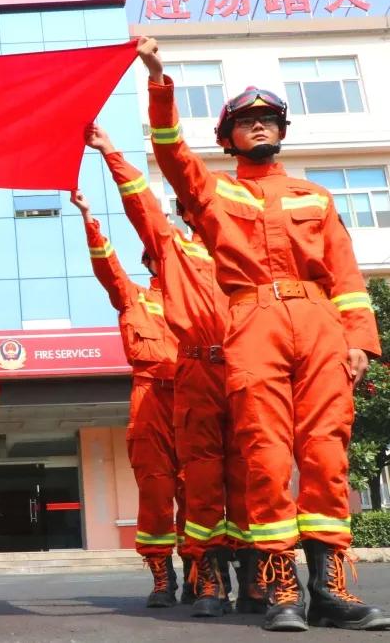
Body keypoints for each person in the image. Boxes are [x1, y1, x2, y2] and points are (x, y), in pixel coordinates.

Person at [140, 35, 386, 632]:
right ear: (227, 139)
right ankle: (280, 589)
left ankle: (330, 591)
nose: (257, 127)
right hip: (251, 321)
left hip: (319, 323)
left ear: (282, 129)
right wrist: (158, 79)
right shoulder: (213, 192)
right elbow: (171, 154)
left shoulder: (316, 196)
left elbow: (348, 278)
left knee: (326, 454)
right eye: (245, 122)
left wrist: (359, 342)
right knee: (265, 454)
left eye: (266, 119)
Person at [84, 123, 263, 617]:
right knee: (188, 485)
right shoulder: (171, 261)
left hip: (243, 371)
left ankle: (253, 578)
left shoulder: (240, 258)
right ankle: (200, 579)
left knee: (247, 476)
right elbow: (136, 221)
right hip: (185, 380)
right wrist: (110, 156)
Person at [69, 189, 184, 609]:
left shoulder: (201, 303)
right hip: (150, 394)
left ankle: (203, 576)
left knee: (199, 489)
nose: (163, 261)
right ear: (149, 264)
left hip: (194, 398)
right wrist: (88, 217)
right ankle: (161, 577)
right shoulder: (135, 298)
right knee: (154, 489)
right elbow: (108, 268)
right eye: (155, 256)